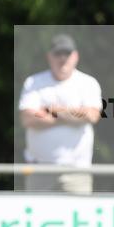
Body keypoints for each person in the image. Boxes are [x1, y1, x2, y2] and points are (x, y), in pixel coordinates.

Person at [18, 34, 102, 194]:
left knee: (79, 217)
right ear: (49, 57)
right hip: (39, 170)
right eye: (58, 54)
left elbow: (92, 115)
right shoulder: (33, 82)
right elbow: (28, 118)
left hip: (77, 172)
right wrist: (73, 116)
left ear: (75, 56)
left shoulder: (87, 83)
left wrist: (54, 111)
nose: (63, 58)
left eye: (67, 53)